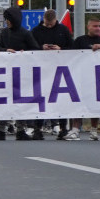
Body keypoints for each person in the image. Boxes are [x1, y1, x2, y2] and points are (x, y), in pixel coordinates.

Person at [0, 6, 41, 140]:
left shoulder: (25, 33)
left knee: (20, 101)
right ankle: (0, 129)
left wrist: (25, 54)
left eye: (8, 19)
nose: (6, 22)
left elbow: (35, 49)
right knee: (4, 101)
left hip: (21, 73)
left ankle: (20, 129)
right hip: (6, 72)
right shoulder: (4, 33)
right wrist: (5, 50)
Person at [32, 9, 74, 139]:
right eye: (47, 23)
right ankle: (37, 128)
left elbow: (73, 47)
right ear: (44, 19)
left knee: (61, 99)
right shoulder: (36, 31)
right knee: (41, 99)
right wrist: (41, 48)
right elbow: (30, 47)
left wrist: (61, 49)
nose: (49, 26)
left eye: (51, 23)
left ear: (55, 19)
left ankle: (63, 128)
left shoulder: (63, 30)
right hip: (42, 70)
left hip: (60, 70)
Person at [70, 18, 100, 140]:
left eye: (99, 26)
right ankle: (75, 129)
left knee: (95, 105)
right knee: (78, 103)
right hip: (82, 77)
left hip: (98, 78)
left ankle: (94, 130)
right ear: (88, 27)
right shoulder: (80, 40)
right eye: (95, 26)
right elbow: (72, 57)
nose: (98, 28)